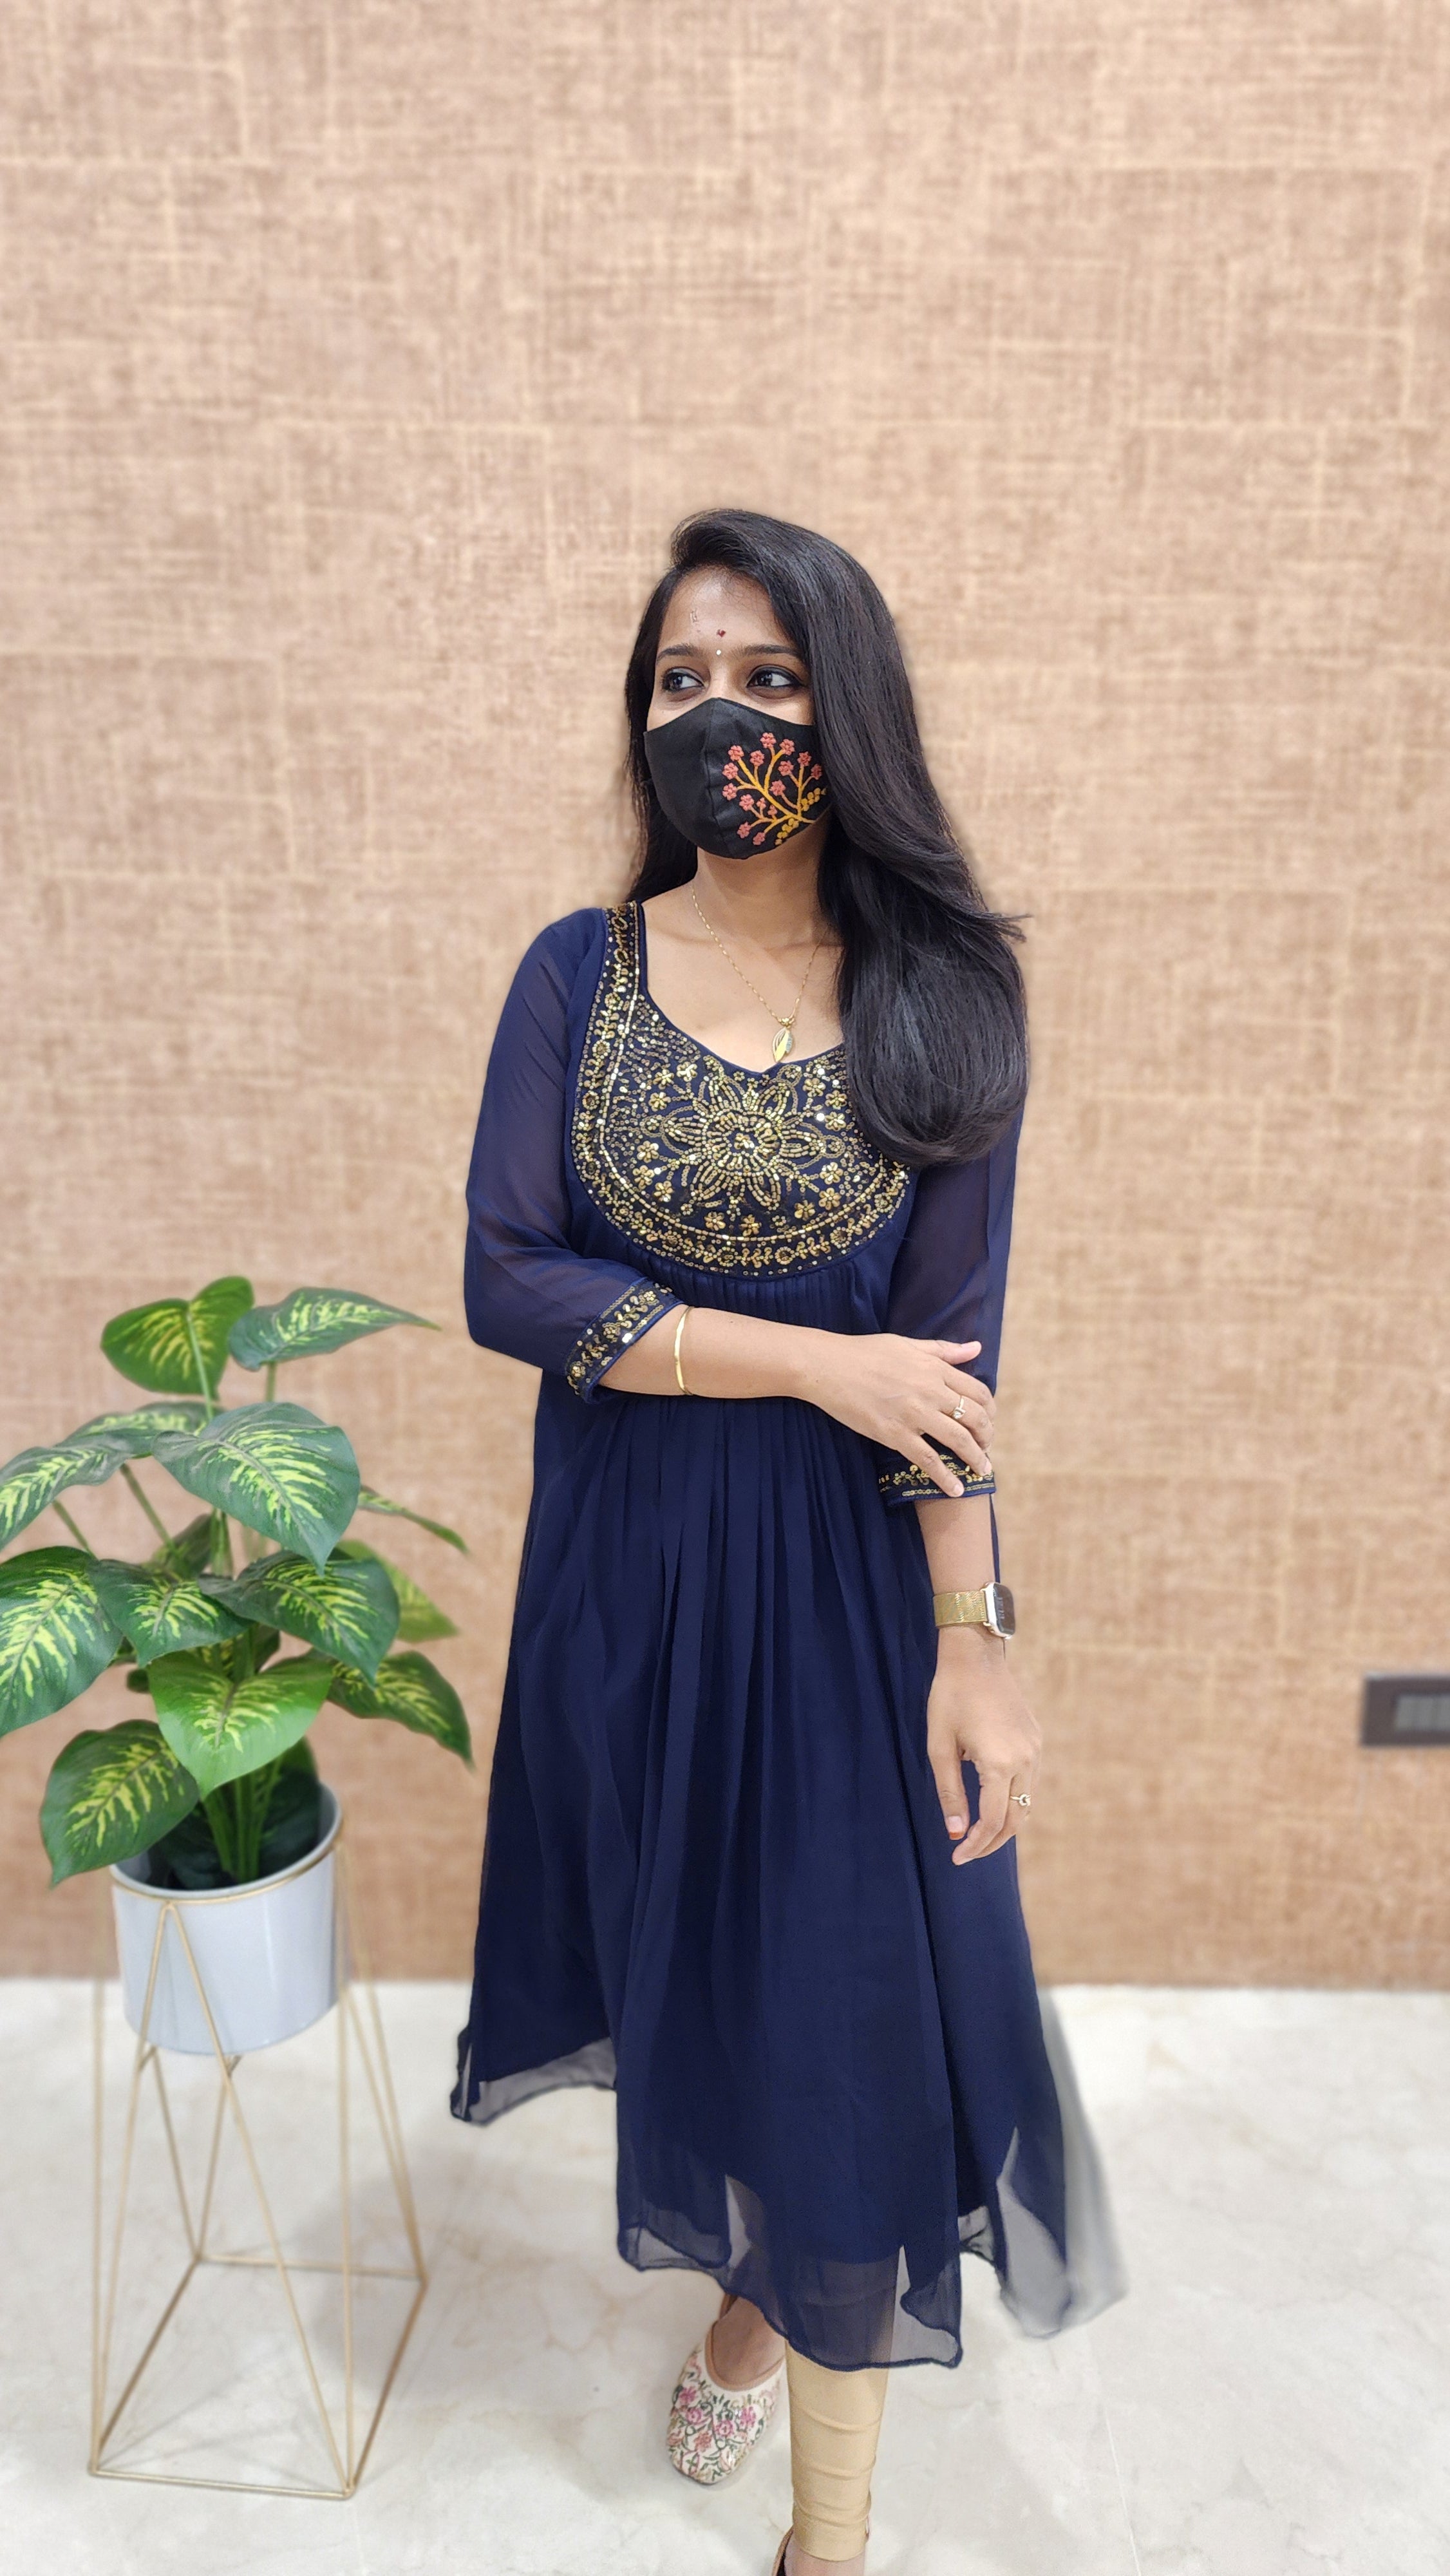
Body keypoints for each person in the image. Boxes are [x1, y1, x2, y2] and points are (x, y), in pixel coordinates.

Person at [453, 508, 1123, 2573]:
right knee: (706, 1979)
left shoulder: (946, 993)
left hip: (843, 1599)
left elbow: (952, 1360)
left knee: (840, 2026)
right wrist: (812, 1363)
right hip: (630, 1581)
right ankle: (751, 2288)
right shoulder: (577, 973)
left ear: (849, 708)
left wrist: (975, 1639)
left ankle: (829, 2539)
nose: (717, 717)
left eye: (764, 677)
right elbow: (508, 1279)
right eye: (679, 680)